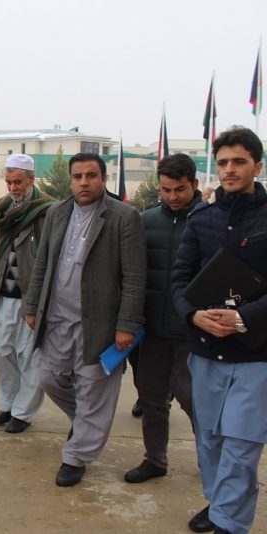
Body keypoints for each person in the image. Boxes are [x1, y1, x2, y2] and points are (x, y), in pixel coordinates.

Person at [24, 152, 146, 487]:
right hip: (58, 318)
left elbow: (135, 277)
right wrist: (32, 306)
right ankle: (86, 424)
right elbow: (42, 263)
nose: (84, 182)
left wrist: (127, 325)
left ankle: (76, 457)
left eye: (91, 176)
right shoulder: (57, 213)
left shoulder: (124, 217)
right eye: (77, 177)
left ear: (103, 179)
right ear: (70, 180)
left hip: (100, 324)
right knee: (48, 376)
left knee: (94, 389)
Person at [173, 127, 267, 534]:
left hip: (256, 354)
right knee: (210, 439)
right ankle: (219, 504)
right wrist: (193, 315)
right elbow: (179, 280)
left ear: (257, 166)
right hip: (206, 349)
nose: (229, 169)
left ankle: (230, 522)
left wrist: (245, 318)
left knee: (242, 445)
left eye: (239, 162)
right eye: (223, 162)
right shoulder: (201, 218)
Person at [124, 153, 200, 484]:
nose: (172, 196)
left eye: (179, 189)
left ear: (194, 184)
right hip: (153, 331)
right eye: (166, 190)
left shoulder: (208, 221)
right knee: (151, 396)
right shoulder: (145, 221)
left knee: (192, 398)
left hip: (193, 332)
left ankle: (210, 460)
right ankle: (155, 459)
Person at [0, 154, 55, 433]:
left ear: (31, 179)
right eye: (9, 182)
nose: (13, 187)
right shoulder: (4, 209)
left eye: (18, 182)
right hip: (4, 294)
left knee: (28, 356)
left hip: (31, 296)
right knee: (3, 352)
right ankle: (8, 403)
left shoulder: (49, 210)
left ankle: (23, 413)